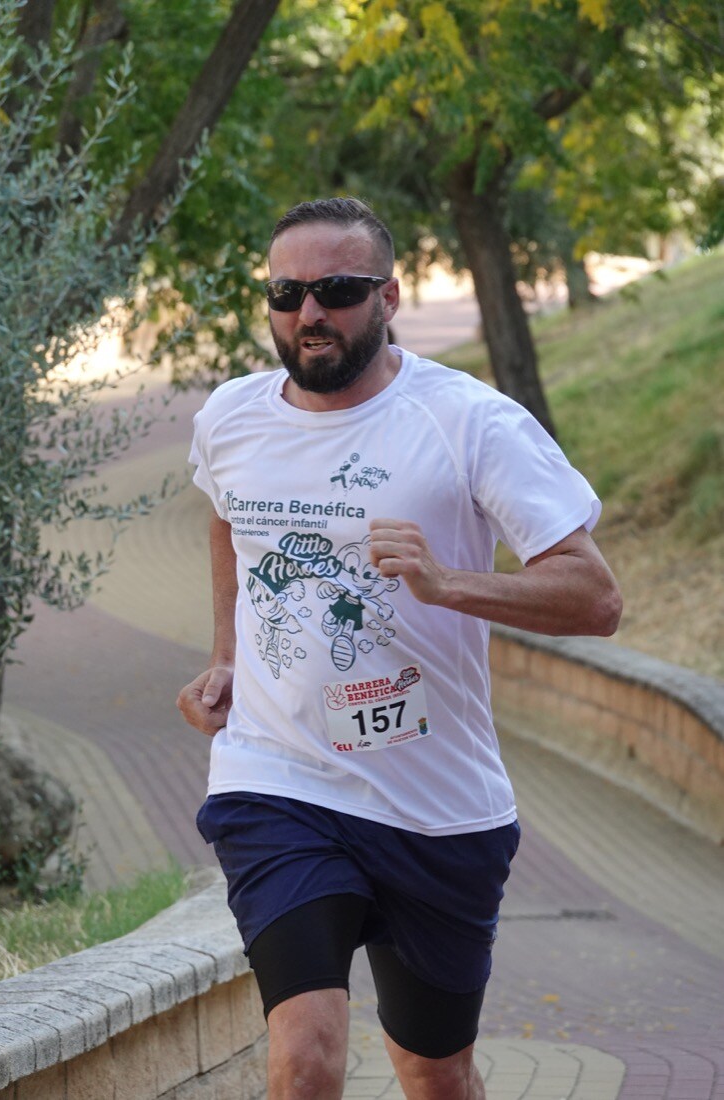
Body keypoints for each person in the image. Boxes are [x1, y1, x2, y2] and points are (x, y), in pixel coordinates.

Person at [177, 196, 622, 1100]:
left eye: (336, 290)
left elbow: (595, 597)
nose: (308, 314)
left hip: (436, 808)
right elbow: (228, 524)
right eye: (286, 292)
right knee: (304, 1056)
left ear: (389, 296)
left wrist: (450, 585)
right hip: (277, 782)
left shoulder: (470, 423)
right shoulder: (230, 418)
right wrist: (226, 654)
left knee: (434, 1070)